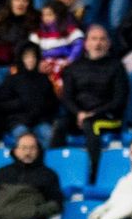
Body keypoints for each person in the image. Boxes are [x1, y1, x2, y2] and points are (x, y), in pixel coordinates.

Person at [52, 24, 127, 176]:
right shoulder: (74, 67)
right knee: (60, 126)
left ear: (108, 43)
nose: (98, 43)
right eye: (93, 39)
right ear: (86, 43)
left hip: (107, 117)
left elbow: (119, 100)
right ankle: (54, 170)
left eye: (102, 39)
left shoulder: (117, 67)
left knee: (90, 125)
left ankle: (94, 174)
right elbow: (67, 97)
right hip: (79, 115)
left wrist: (92, 114)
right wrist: (79, 112)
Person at [0, 131, 64, 219]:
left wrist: (33, 213)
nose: (28, 152)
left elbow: (57, 204)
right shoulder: (3, 171)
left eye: (32, 148)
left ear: (38, 151)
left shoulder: (48, 174)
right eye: (24, 148)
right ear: (16, 151)